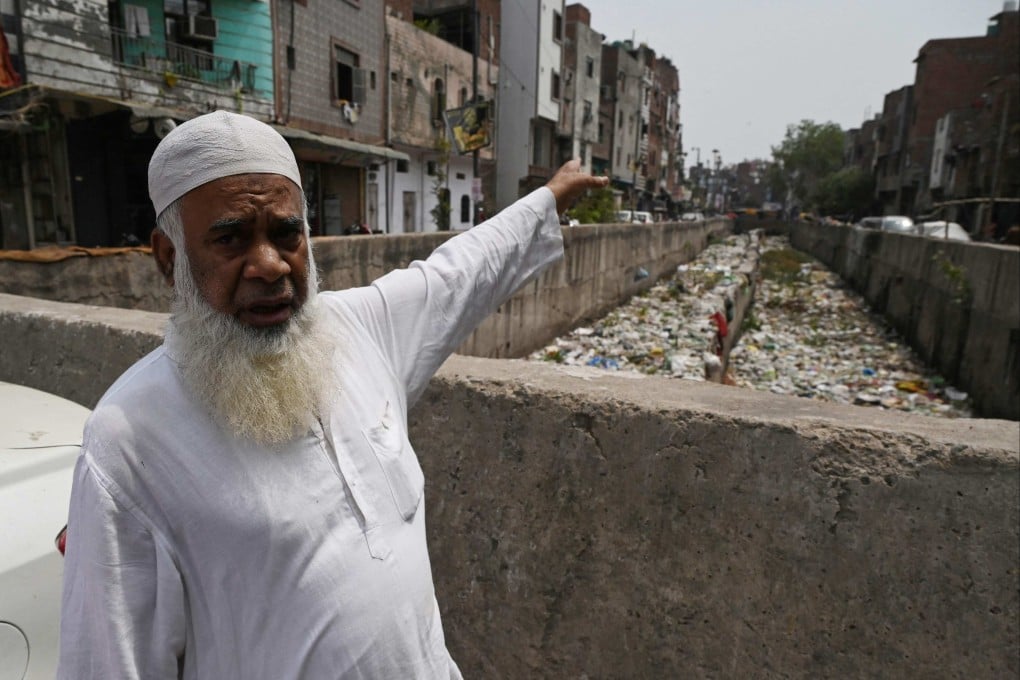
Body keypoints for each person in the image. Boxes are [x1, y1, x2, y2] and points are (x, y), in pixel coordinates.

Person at [56, 110, 607, 679]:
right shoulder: (127, 440)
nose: (269, 265)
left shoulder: (356, 329)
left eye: (286, 232)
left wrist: (551, 196)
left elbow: (461, 272)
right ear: (170, 259)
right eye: (230, 238)